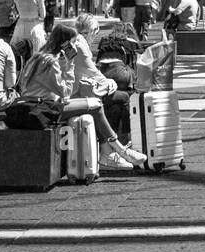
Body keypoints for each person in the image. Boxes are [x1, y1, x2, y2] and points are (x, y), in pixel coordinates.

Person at [17, 24, 145, 170]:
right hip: (45, 109)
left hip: (41, 105)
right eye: (72, 42)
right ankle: (118, 151)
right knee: (95, 105)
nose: (74, 46)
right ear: (64, 43)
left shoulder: (38, 57)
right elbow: (65, 92)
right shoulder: (50, 62)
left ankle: (111, 152)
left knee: (95, 104)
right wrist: (70, 65)